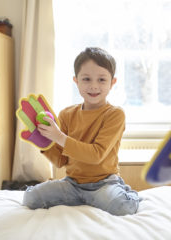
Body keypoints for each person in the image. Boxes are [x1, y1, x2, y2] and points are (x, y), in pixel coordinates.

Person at [22, 47, 141, 216]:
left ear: (112, 82)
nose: (93, 86)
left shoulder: (115, 114)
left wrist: (59, 137)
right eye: (86, 79)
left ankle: (122, 191)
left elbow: (96, 155)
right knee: (30, 198)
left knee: (123, 207)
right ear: (76, 80)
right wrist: (44, 142)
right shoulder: (66, 114)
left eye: (101, 79)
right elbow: (61, 161)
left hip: (103, 184)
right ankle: (83, 199)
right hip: (73, 184)